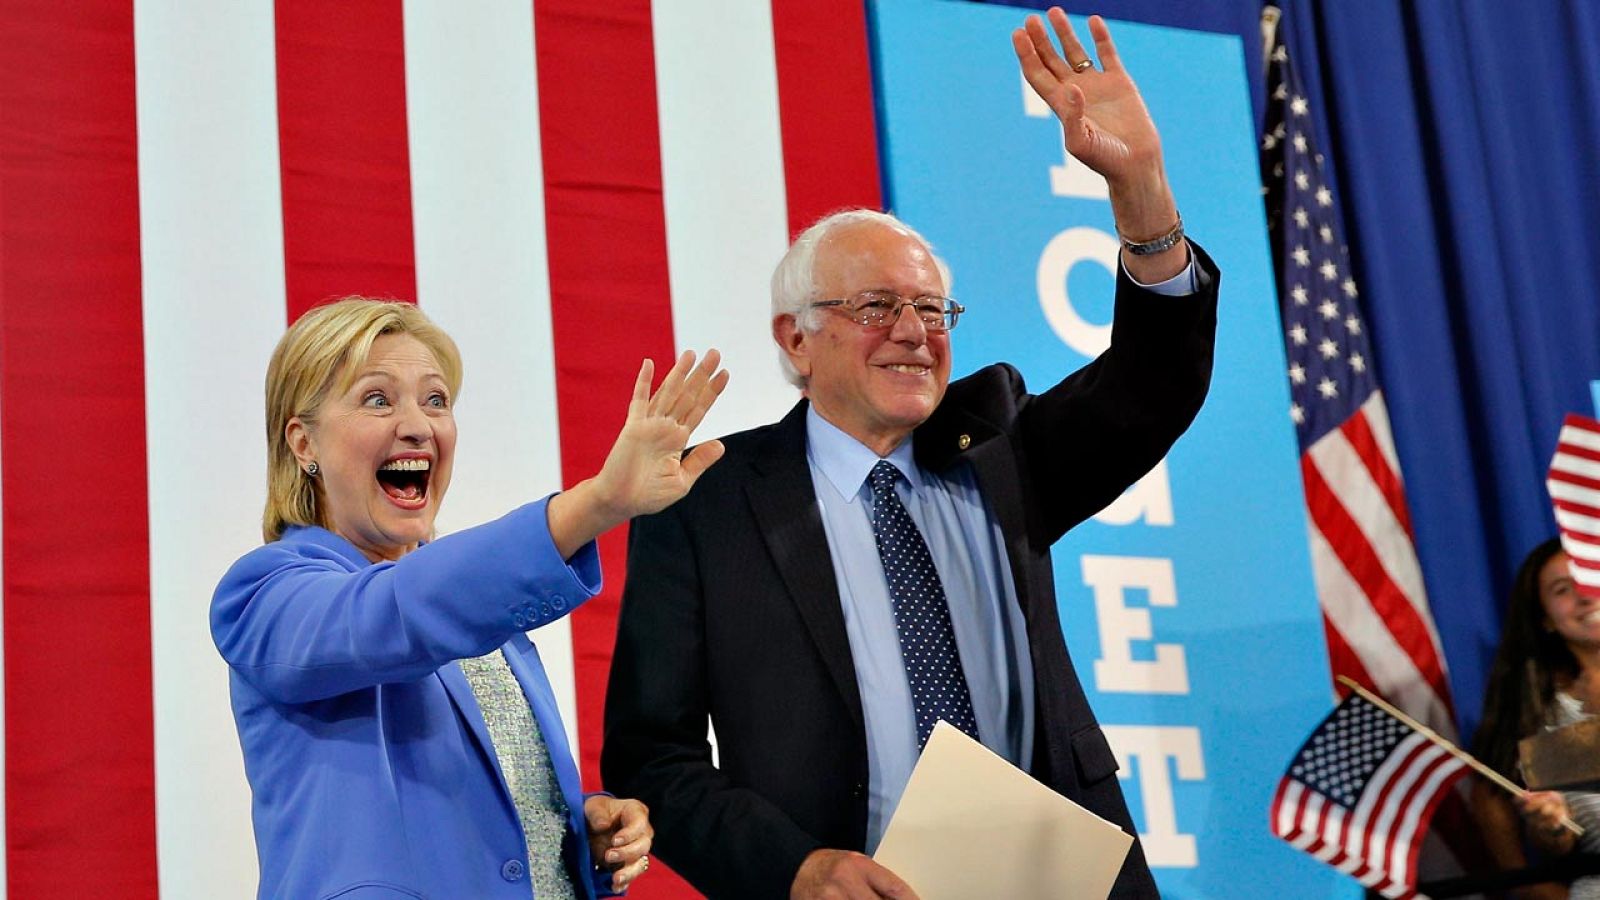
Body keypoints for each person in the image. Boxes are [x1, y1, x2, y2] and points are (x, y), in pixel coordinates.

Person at [601, 10, 1216, 899]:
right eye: (877, 307)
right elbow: (652, 755)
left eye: (933, 311)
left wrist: (1142, 189)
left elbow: (1153, 385)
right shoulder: (708, 497)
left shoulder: (1001, 445)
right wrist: (795, 869)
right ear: (797, 338)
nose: (914, 334)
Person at [212, 298, 728, 899]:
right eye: (377, 399)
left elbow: (460, 820)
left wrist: (567, 832)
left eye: (435, 400)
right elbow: (395, 614)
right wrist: (599, 503)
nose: (418, 425)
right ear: (304, 444)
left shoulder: (488, 616)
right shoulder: (263, 596)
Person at [1472, 538, 1600, 899]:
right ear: (1545, 617)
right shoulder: (1549, 719)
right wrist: (1550, 826)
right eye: (1563, 589)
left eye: (1591, 578)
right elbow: (1561, 842)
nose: (1585, 596)